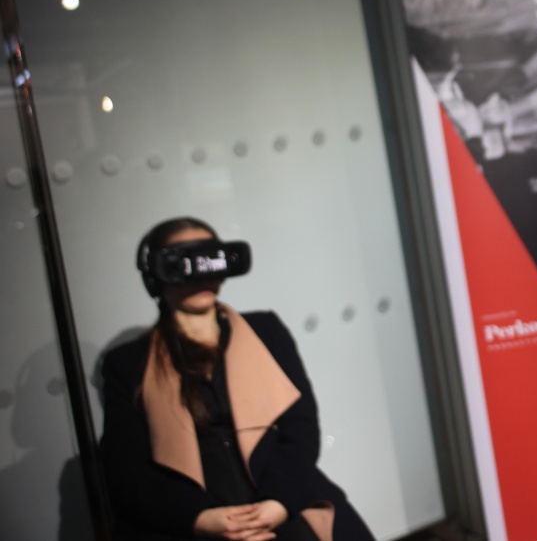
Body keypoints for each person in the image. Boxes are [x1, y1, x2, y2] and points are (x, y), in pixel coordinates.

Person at [100, 217, 375, 541]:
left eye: (209, 260)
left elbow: (301, 428)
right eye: (184, 264)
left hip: (280, 499)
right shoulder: (128, 363)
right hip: (192, 518)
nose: (202, 274)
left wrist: (277, 504)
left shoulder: (266, 331)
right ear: (155, 276)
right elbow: (128, 470)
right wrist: (201, 519)